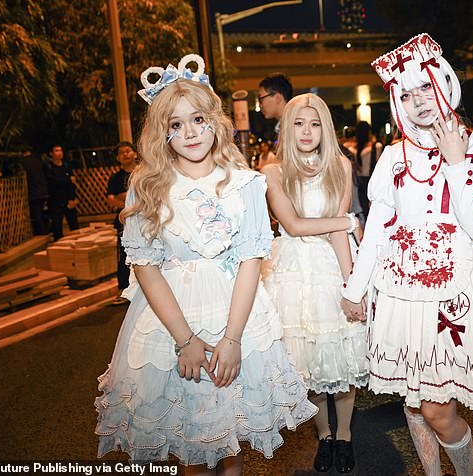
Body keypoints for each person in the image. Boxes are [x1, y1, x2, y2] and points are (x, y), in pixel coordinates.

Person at [94, 54, 317, 474]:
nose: (189, 133)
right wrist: (184, 339)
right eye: (175, 125)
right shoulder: (145, 186)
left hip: (235, 314)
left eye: (197, 119)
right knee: (189, 447)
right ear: (162, 134)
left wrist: (232, 339)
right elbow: (145, 267)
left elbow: (251, 260)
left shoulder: (246, 183)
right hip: (170, 323)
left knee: (228, 441)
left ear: (215, 121)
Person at [340, 34, 473, 476]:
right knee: (413, 402)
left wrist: (457, 162)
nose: (418, 100)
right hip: (400, 290)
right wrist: (355, 288)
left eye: (426, 86)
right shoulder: (393, 155)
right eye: (406, 93)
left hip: (456, 293)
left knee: (438, 410)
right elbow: (380, 228)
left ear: (445, 82)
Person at [261, 93, 368, 474]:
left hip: (327, 265)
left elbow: (340, 234)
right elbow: (292, 226)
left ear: (326, 127)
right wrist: (343, 222)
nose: (307, 132)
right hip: (289, 271)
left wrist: (351, 286)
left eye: (315, 123)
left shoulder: (340, 163)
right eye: (299, 124)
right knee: (307, 365)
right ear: (287, 129)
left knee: (340, 360)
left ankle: (345, 438)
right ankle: (324, 435)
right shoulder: (272, 171)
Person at [106, 141, 137, 303]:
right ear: (118, 158)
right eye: (121, 153)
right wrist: (128, 206)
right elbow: (110, 199)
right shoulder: (115, 178)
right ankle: (123, 290)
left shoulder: (142, 174)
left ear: (135, 154)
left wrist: (125, 197)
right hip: (124, 221)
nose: (125, 154)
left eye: (128, 151)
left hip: (144, 218)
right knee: (124, 254)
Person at [347, 121, 383, 219]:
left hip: (359, 182)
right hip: (372, 180)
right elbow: (379, 165)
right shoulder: (376, 146)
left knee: (365, 210)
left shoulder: (353, 148)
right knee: (374, 209)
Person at [44, 144, 79, 240]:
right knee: (57, 226)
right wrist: (67, 179)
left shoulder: (67, 166)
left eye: (60, 150)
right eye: (56, 151)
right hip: (55, 200)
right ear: (51, 153)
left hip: (68, 198)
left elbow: (72, 183)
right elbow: (53, 182)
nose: (59, 153)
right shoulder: (49, 168)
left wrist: (72, 198)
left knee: (74, 225)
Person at [22, 149, 50, 235]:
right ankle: (47, 229)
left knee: (36, 213)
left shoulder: (24, 162)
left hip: (33, 191)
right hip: (43, 190)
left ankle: (41, 232)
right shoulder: (38, 160)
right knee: (43, 212)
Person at [258, 72, 293, 141]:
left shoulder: (295, 125)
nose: (260, 105)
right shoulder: (282, 126)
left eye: (261, 99)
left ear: (277, 98)